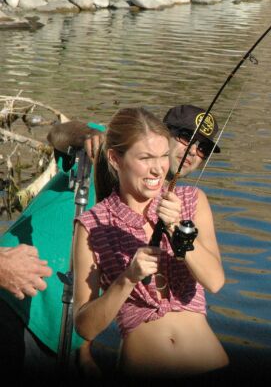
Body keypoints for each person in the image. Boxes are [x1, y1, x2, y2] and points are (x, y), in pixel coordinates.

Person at [0, 104, 221, 381]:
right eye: (185, 137)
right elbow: (58, 133)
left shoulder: (178, 205)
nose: (192, 151)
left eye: (203, 147)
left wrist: (83, 350)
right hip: (10, 294)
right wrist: (85, 135)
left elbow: (97, 287)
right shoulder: (110, 149)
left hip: (56, 335)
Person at [73, 107, 228, 383]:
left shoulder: (192, 200)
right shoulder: (91, 224)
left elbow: (215, 282)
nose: (158, 168)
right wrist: (128, 278)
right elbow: (85, 327)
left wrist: (176, 227)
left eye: (162, 157)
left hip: (210, 366)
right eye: (146, 158)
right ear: (115, 159)